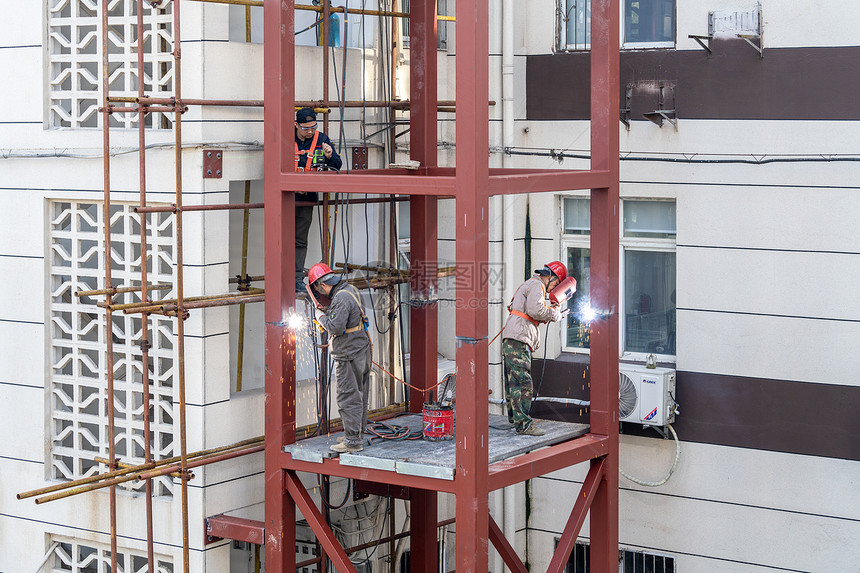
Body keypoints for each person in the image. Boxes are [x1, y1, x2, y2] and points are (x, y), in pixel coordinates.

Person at [308, 262, 371, 454]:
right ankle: (356, 433)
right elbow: (347, 318)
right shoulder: (350, 289)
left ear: (322, 285)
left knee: (348, 395)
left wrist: (320, 317)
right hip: (361, 349)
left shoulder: (341, 299)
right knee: (359, 393)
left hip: (348, 353)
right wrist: (330, 317)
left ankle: (353, 441)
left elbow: (335, 328)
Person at [500, 261, 567, 436]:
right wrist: (555, 314)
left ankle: (516, 420)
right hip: (519, 340)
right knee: (523, 383)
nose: (554, 288)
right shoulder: (538, 285)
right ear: (551, 277)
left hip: (514, 339)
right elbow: (535, 310)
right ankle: (524, 425)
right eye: (556, 284)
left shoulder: (530, 284)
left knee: (513, 382)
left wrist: (551, 311)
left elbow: (532, 311)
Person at [295, 107, 343, 294]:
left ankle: (297, 278)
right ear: (296, 125)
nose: (310, 131)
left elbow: (337, 164)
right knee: (282, 238)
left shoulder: (321, 139)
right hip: (285, 196)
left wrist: (330, 155)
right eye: (306, 128)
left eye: (313, 127)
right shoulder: (286, 137)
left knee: (300, 239)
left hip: (307, 197)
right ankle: (283, 275)